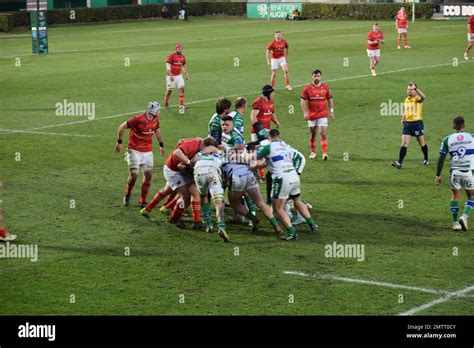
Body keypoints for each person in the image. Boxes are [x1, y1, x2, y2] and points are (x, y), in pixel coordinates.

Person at [220, 116, 282, 235]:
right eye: (223, 125)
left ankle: (253, 218)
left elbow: (240, 146)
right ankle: (276, 226)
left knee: (234, 203)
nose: (224, 127)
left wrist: (226, 149)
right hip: (248, 173)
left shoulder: (236, 136)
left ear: (232, 124)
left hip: (237, 175)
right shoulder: (228, 134)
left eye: (227, 124)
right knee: (260, 202)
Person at [253, 129, 318, 241]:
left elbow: (255, 157)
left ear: (269, 137)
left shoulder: (269, 147)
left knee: (278, 208)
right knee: (297, 200)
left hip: (282, 178)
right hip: (294, 176)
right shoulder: (285, 146)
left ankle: (292, 233)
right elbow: (268, 162)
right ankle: (312, 224)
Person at [141, 137, 218, 229]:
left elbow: (180, 141)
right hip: (173, 171)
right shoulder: (193, 145)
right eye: (209, 151)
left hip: (178, 170)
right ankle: (176, 218)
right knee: (187, 196)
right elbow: (177, 153)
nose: (209, 153)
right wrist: (188, 162)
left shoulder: (200, 144)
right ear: (205, 146)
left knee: (168, 190)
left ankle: (149, 209)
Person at [115, 101, 165, 208]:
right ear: (154, 111)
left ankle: (142, 201)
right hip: (134, 150)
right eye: (159, 110)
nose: (160, 112)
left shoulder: (155, 119)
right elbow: (121, 127)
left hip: (147, 151)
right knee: (134, 175)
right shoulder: (138, 119)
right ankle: (127, 194)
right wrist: (119, 143)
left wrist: (161, 145)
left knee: (148, 175)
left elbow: (157, 130)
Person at [435, 117, 474, 231]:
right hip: (468, 171)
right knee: (471, 196)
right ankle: (464, 216)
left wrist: (438, 175)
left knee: (455, 196)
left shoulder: (447, 139)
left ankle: (455, 223)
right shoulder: (471, 137)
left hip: (454, 172)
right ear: (464, 125)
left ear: (453, 126)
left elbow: (441, 158)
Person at [193, 149, 229, 242]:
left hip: (199, 171)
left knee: (203, 196)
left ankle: (209, 224)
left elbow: (191, 162)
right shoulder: (218, 156)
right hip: (212, 172)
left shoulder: (198, 155)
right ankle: (221, 226)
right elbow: (225, 167)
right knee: (218, 202)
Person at [392, 82, 428, 169]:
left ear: (415, 90)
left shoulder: (417, 98)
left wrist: (417, 89)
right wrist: (403, 118)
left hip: (417, 124)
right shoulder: (406, 99)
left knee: (421, 143)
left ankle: (426, 159)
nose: (409, 91)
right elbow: (406, 110)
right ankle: (399, 162)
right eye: (408, 89)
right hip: (407, 124)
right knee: (404, 143)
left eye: (411, 89)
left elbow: (424, 97)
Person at [300, 69, 334, 160]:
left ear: (321, 77)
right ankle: (313, 152)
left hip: (322, 114)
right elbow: (303, 101)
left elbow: (330, 99)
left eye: (318, 76)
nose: (316, 77)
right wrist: (305, 113)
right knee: (312, 134)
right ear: (312, 77)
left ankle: (324, 153)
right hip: (312, 115)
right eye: (315, 76)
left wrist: (331, 112)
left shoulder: (326, 88)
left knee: (322, 133)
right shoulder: (307, 88)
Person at [164, 44, 188, 109]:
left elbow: (183, 65)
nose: (180, 50)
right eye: (179, 49)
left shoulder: (182, 56)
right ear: (176, 49)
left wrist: (186, 74)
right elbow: (167, 65)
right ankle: (166, 102)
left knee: (182, 88)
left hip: (179, 75)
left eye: (181, 49)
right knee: (170, 90)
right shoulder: (171, 55)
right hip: (171, 75)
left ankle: (181, 105)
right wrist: (170, 74)